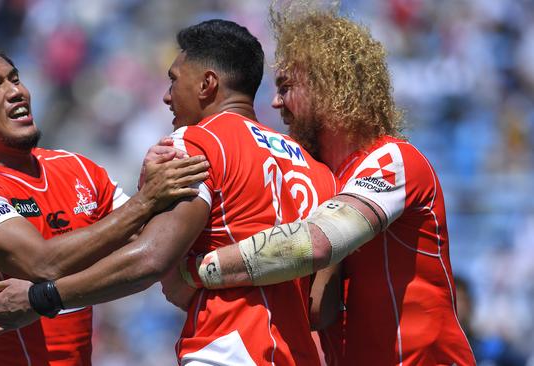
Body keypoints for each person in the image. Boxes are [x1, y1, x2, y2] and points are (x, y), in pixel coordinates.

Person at [0, 19, 338, 365]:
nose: (166, 97)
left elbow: (151, 261)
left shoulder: (198, 143)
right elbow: (321, 308)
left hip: (229, 348)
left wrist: (42, 298)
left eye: (173, 80)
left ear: (206, 85)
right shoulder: (318, 170)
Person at [162, 7, 477, 365]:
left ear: (330, 86)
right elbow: (318, 310)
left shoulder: (394, 159)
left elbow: (313, 244)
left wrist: (196, 270)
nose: (276, 102)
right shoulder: (323, 177)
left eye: (286, 87)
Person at [0, 40, 208, 365]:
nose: (16, 91)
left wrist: (152, 182)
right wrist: (146, 200)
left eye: (15, 79)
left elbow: (149, 251)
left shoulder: (79, 169)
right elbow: (41, 263)